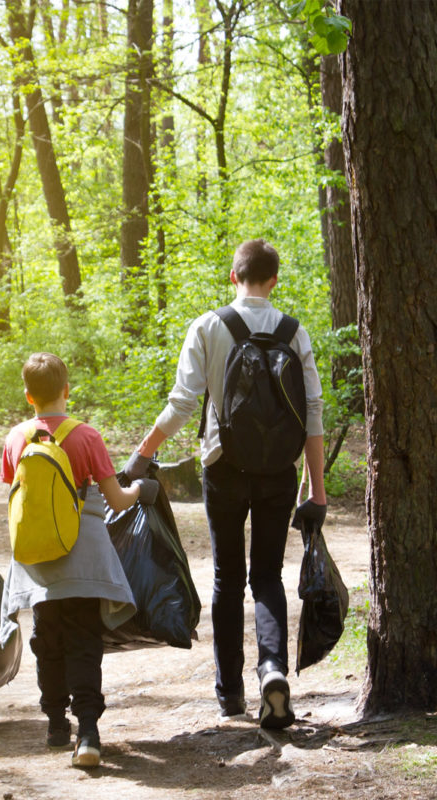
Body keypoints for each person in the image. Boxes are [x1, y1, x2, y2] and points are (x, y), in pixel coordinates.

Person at [125, 239, 327, 729]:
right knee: (267, 578)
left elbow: (181, 405)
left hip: (223, 467)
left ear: (233, 277)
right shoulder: (294, 333)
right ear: (274, 280)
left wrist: (142, 455)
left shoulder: (208, 326)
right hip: (280, 472)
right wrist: (316, 490)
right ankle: (273, 669)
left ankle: (230, 694)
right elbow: (313, 414)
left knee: (227, 579)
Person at [0, 352, 159, 769]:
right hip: (83, 557)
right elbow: (118, 501)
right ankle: (88, 732)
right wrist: (142, 489)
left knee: (47, 641)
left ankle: (55, 725)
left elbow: (19, 500)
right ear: (66, 391)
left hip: (36, 561)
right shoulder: (86, 436)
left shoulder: (16, 438)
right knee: (84, 642)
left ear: (29, 395)